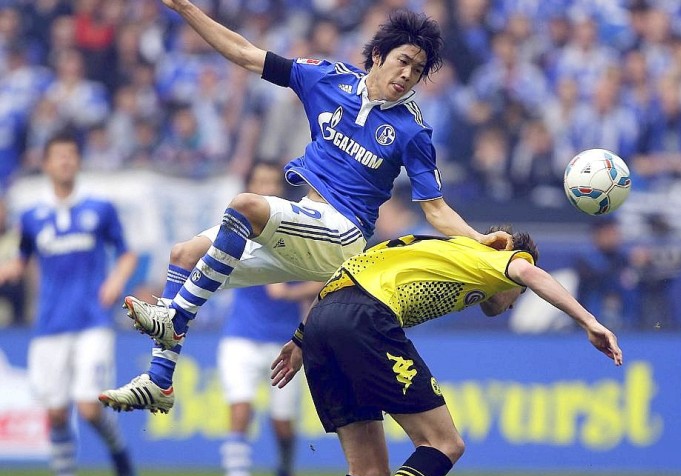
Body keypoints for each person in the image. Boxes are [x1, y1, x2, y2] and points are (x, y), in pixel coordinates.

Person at [98, 3, 512, 414]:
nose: (407, 75)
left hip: (342, 235)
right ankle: (159, 382)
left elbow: (435, 209)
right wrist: (184, 7)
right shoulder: (326, 79)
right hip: (302, 225)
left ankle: (176, 318)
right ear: (377, 56)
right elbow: (244, 52)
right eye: (403, 61)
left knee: (246, 206)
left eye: (417, 70)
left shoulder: (412, 130)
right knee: (183, 255)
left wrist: (477, 240)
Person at [270, 227, 623, 476]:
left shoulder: (436, 248)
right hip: (366, 315)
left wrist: (300, 338)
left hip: (321, 320)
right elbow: (530, 272)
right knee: (444, 442)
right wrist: (589, 321)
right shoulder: (493, 259)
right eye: (519, 295)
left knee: (367, 470)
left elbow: (349, 275)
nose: (515, 302)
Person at [0, 130, 139, 476]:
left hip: (92, 322)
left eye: (71, 155)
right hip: (48, 326)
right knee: (57, 415)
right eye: (58, 155)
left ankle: (120, 456)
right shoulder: (32, 217)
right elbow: (22, 257)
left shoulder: (99, 208)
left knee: (89, 408)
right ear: (46, 164)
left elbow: (127, 252)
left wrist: (114, 281)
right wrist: (11, 268)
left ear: (78, 161)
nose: (65, 161)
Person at [217, 160, 322, 476]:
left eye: (271, 182)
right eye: (258, 181)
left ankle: (285, 473)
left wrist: (290, 294)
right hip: (241, 337)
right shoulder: (233, 229)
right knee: (240, 412)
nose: (265, 187)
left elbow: (324, 279)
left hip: (283, 342)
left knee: (283, 425)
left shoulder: (294, 232)